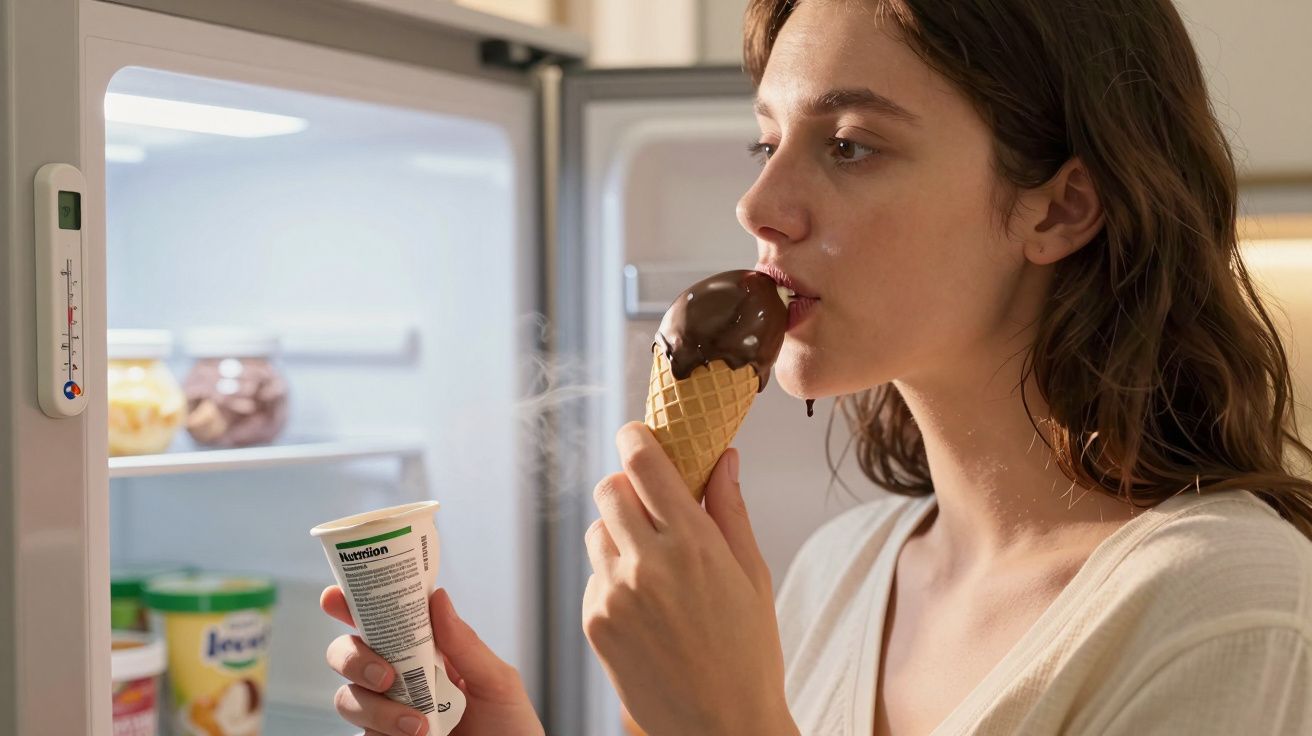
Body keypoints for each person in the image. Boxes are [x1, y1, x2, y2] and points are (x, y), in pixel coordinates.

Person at [321, 0, 1312, 733]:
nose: (757, 204)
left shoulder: (1232, 611)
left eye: (848, 144)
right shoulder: (841, 570)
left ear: (1056, 208)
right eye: (766, 138)